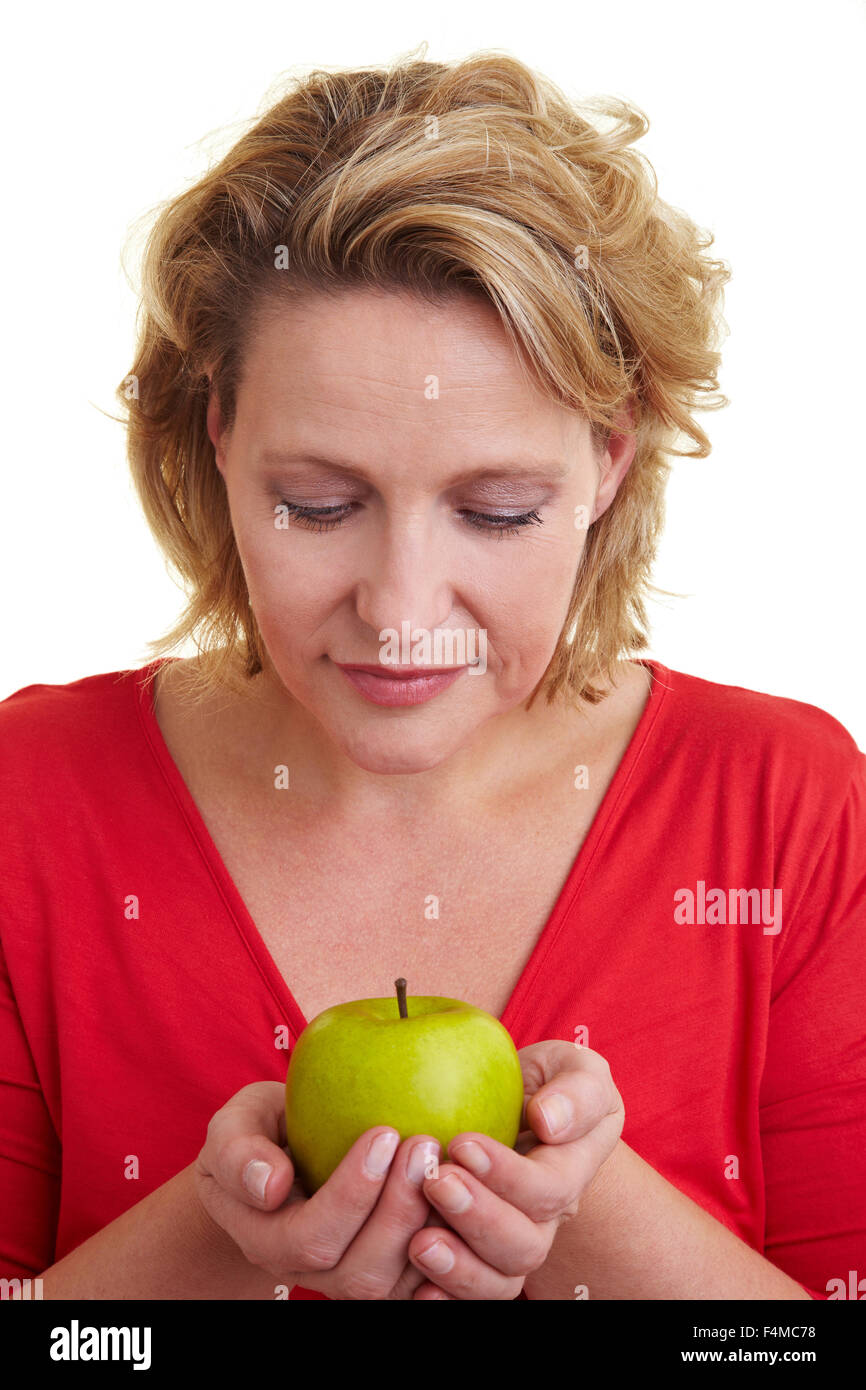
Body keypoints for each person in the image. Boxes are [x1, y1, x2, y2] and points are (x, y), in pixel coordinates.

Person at [1, 49, 863, 1302]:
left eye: (499, 511)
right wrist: (210, 1245)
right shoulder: (34, 800)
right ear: (218, 437)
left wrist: (592, 1209)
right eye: (317, 503)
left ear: (609, 464)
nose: (401, 613)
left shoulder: (782, 811)